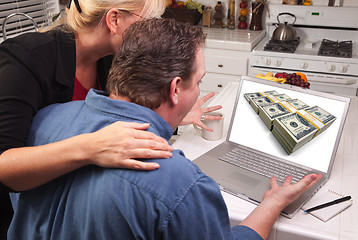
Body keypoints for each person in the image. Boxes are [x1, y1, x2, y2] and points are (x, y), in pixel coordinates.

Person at [8, 18, 322, 240]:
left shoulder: (44, 121)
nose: (199, 89)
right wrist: (273, 203)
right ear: (174, 89)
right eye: (198, 82)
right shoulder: (179, 184)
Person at [0, 0, 221, 236]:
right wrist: (92, 146)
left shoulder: (111, 57)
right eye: (147, 21)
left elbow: (120, 110)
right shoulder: (25, 60)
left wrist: (173, 114)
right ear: (114, 19)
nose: (153, 31)